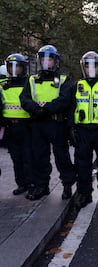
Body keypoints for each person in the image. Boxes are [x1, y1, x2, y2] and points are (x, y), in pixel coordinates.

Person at [20, 44, 75, 200]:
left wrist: (47, 109)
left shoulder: (63, 79)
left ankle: (67, 185)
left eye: (49, 60)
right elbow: (24, 99)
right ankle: (42, 186)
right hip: (38, 124)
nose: (46, 62)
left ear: (55, 61)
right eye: (43, 59)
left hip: (56, 124)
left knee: (62, 156)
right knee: (39, 157)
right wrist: (37, 109)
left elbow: (65, 100)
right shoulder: (32, 80)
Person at [68, 51, 98, 209]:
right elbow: (70, 108)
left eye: (94, 66)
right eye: (88, 66)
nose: (91, 69)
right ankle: (84, 194)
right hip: (82, 131)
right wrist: (71, 128)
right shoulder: (76, 86)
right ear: (83, 68)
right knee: (82, 164)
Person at [0, 53, 33, 195]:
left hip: (26, 126)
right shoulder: (3, 85)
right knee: (16, 158)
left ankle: (31, 183)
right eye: (11, 67)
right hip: (9, 127)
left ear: (23, 68)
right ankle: (21, 184)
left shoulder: (29, 83)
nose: (14, 70)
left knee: (28, 157)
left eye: (17, 67)